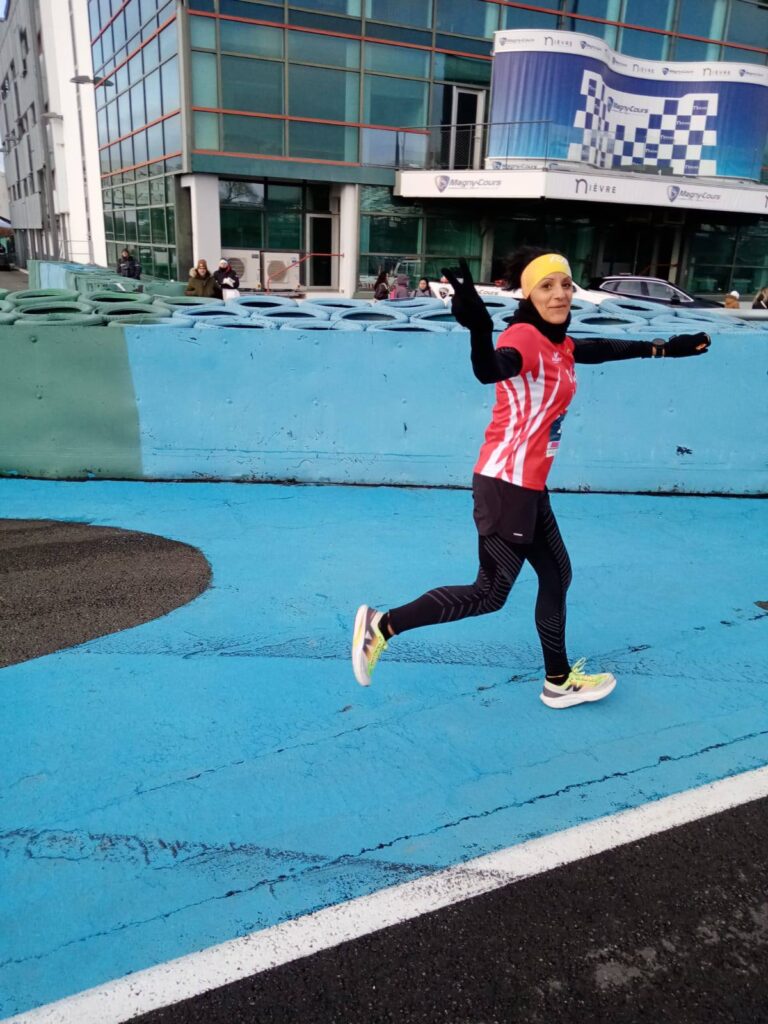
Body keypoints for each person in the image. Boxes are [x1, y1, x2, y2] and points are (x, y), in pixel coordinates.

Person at [352, 247, 710, 708]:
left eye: (565, 283)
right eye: (547, 286)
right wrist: (480, 330)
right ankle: (381, 625)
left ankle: (558, 680)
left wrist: (665, 348)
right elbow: (491, 369)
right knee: (489, 593)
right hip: (507, 485)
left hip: (529, 485)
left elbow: (597, 349)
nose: (560, 293)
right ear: (528, 293)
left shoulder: (558, 343)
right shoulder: (524, 337)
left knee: (557, 574)